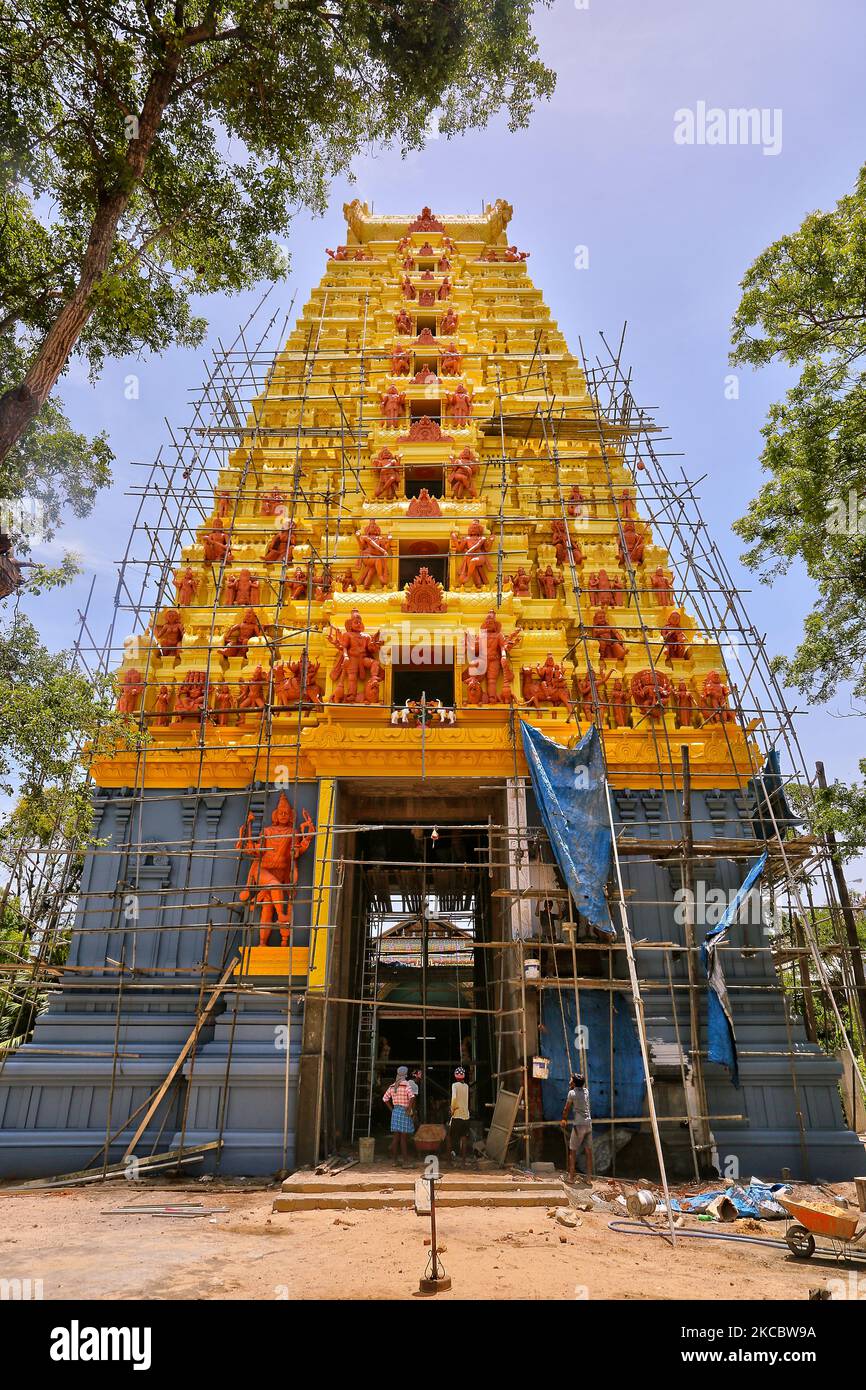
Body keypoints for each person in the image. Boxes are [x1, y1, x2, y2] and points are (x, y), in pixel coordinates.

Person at [561, 1072, 593, 1182]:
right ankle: (589, 1179)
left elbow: (566, 1108)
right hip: (588, 1124)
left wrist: (564, 1119)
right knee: (588, 1152)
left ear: (574, 1083)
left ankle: (570, 1177)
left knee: (573, 1151)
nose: (569, 1082)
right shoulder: (586, 1091)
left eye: (571, 1080)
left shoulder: (571, 1093)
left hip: (579, 1125)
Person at [383, 1065, 416, 1165]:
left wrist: (392, 1109)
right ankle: (406, 1161)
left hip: (395, 1112)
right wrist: (409, 1109)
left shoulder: (392, 1086)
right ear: (405, 1074)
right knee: (403, 1138)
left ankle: (394, 1161)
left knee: (396, 1137)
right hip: (404, 1112)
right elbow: (412, 1097)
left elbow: (385, 1099)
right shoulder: (406, 1085)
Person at [449, 1066, 470, 1164]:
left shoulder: (454, 1085)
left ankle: (449, 1159)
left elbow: (454, 1098)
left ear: (456, 1076)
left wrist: (452, 1110)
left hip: (457, 1114)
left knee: (450, 1136)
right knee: (464, 1138)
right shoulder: (466, 1086)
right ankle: (464, 1161)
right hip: (466, 1115)